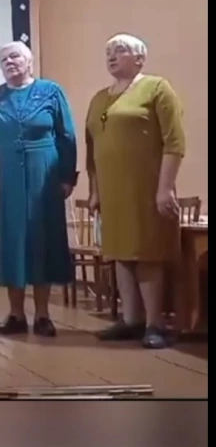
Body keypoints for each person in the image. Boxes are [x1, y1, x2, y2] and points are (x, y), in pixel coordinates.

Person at [86, 34, 185, 349]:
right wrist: (95, 191)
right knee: (120, 254)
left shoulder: (157, 88)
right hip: (112, 191)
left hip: (146, 187)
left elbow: (174, 142)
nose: (112, 56)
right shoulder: (99, 98)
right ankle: (131, 320)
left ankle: (155, 323)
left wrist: (165, 188)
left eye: (120, 51)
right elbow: (92, 151)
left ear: (140, 58)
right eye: (108, 52)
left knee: (146, 254)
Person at [0, 41, 77, 337]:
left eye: (15, 57)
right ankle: (16, 314)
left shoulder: (51, 91)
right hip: (4, 176)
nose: (10, 62)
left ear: (29, 62)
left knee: (42, 240)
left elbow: (67, 135)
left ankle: (43, 315)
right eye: (4, 59)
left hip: (43, 175)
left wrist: (66, 177)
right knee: (12, 242)